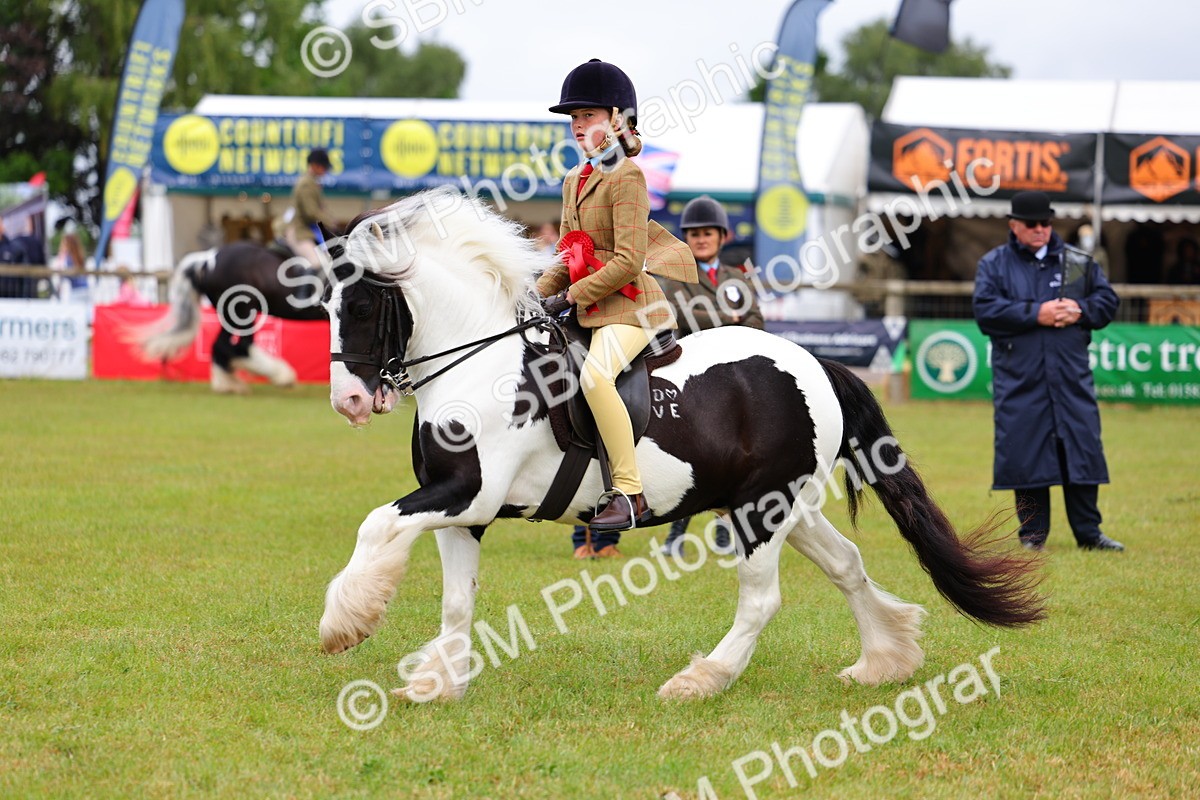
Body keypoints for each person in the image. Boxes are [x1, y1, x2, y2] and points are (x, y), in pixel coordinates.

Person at [538, 58, 697, 532]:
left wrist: (569, 298)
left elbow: (629, 259)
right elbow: (569, 253)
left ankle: (629, 493)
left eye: (587, 116)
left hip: (632, 308)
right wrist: (533, 293)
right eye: (573, 118)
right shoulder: (574, 180)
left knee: (594, 379)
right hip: (589, 304)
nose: (577, 125)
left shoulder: (628, 176)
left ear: (616, 119)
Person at [973, 191, 1124, 552]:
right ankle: (1032, 536)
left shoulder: (1077, 261)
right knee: (1026, 452)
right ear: (1014, 225)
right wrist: (1035, 313)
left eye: (1045, 222)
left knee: (1081, 448)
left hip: (1070, 376)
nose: (1040, 229)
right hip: (1020, 378)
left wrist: (1081, 310)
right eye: (1031, 224)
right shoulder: (994, 264)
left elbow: (1107, 302)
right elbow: (986, 311)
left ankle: (1090, 534)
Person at [655, 195, 764, 555]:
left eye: (707, 233)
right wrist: (727, 317)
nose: (701, 239)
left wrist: (730, 319)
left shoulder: (737, 277)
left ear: (722, 236)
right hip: (693, 375)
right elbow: (676, 314)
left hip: (736, 379)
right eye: (694, 234)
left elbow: (756, 320)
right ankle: (675, 537)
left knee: (736, 454)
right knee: (695, 454)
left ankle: (724, 528)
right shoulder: (673, 277)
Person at [285, 148, 337, 269]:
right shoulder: (306, 184)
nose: (325, 171)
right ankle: (302, 289)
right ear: (314, 165)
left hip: (309, 231)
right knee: (317, 263)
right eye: (324, 167)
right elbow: (311, 213)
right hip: (300, 231)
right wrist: (331, 223)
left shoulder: (312, 183)